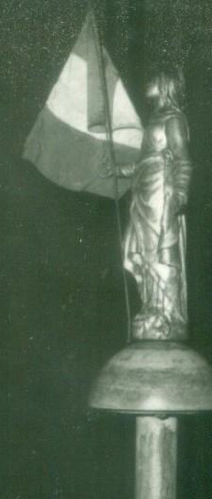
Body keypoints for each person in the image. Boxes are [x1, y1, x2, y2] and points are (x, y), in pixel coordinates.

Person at [121, 70, 192, 341]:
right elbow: (144, 161)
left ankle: (168, 315)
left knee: (161, 251)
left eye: (151, 81)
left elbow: (183, 159)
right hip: (144, 193)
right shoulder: (156, 119)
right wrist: (118, 169)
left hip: (162, 193)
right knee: (144, 252)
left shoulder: (173, 120)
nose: (146, 85)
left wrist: (181, 191)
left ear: (164, 85)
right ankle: (151, 306)